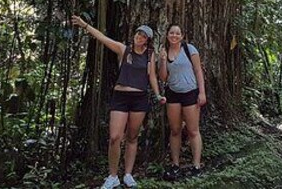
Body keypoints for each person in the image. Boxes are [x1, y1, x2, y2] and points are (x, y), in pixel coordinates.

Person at [72, 15, 166, 189]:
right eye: (138, 34)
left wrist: (158, 95)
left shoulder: (149, 56)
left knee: (132, 136)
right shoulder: (124, 50)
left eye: (143, 36)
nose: (139, 37)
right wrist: (85, 25)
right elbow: (102, 38)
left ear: (148, 41)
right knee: (115, 137)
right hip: (120, 97)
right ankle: (113, 175)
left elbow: (152, 76)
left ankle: (128, 175)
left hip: (139, 98)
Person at [159, 25, 207, 180]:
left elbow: (198, 70)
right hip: (173, 94)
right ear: (167, 35)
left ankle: (196, 165)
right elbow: (163, 77)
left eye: (177, 33)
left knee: (193, 130)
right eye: (171, 33)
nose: (174, 35)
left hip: (190, 93)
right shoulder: (165, 52)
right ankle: (175, 165)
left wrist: (202, 92)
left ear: (182, 36)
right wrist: (162, 61)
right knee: (175, 130)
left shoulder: (190, 49)